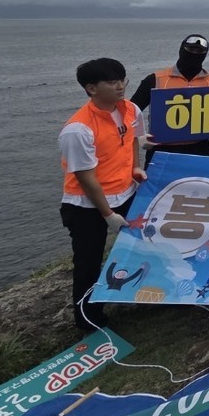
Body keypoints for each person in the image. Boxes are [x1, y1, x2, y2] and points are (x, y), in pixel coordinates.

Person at [60, 57, 145, 333]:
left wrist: (135, 169)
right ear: (91, 88)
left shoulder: (130, 109)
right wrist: (108, 214)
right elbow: (86, 178)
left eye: (123, 79)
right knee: (88, 262)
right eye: (112, 82)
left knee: (143, 247)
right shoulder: (77, 129)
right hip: (87, 206)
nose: (120, 86)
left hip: (127, 193)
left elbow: (132, 140)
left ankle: (142, 295)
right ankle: (88, 319)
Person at [130, 33, 209, 164]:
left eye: (199, 51)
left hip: (199, 149)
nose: (194, 54)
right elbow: (130, 112)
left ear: (205, 54)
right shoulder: (156, 79)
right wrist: (139, 137)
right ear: (181, 49)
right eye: (190, 49)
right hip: (161, 149)